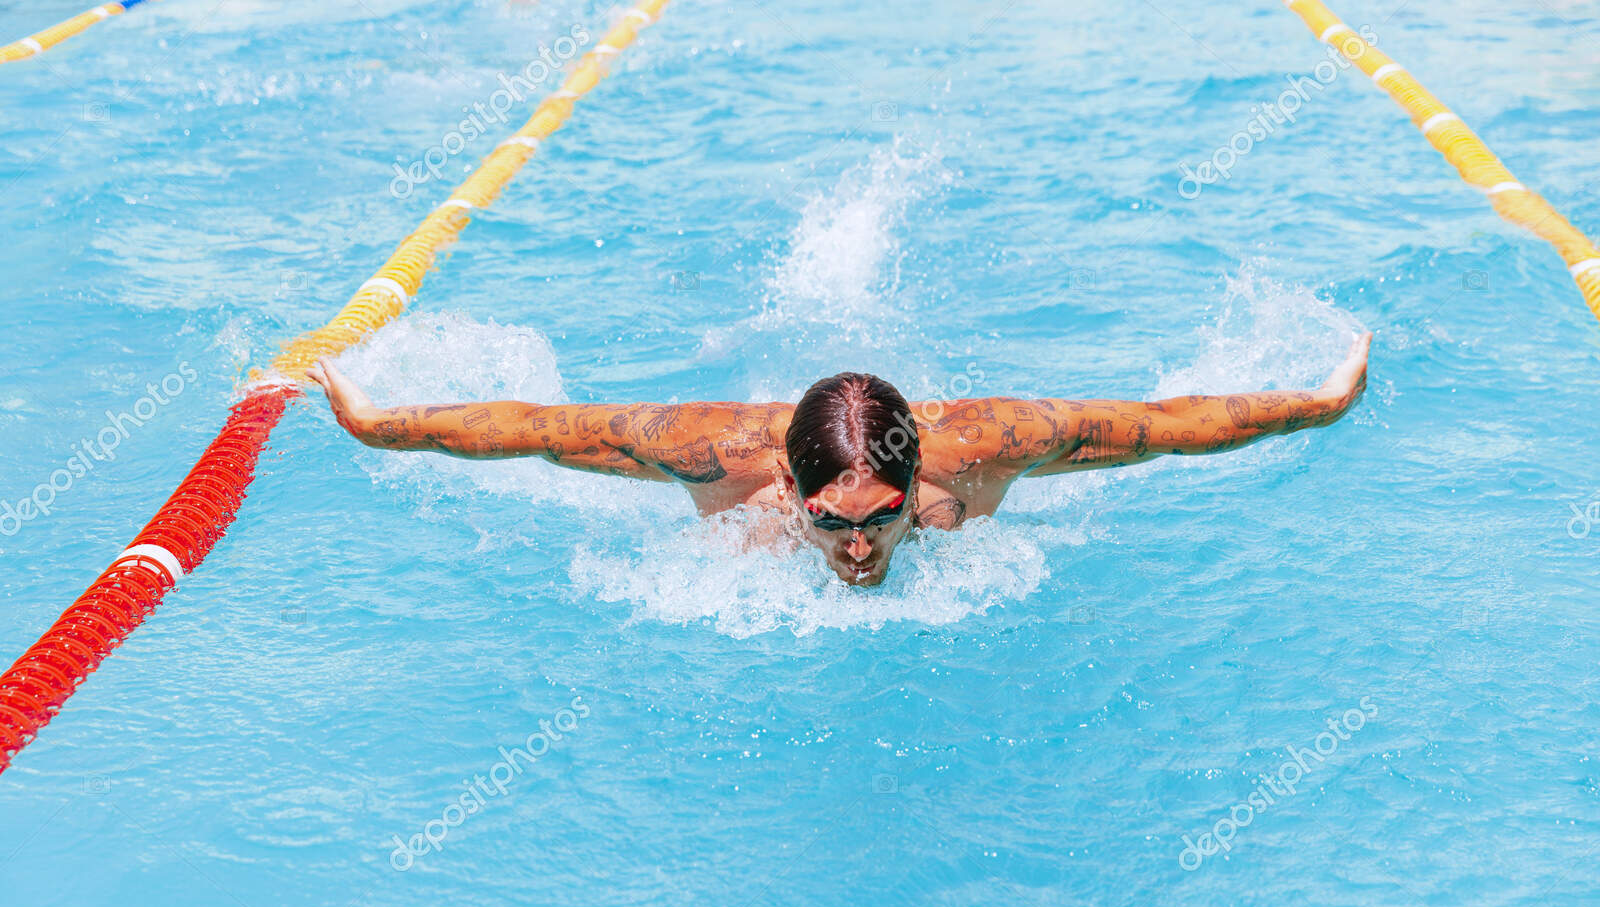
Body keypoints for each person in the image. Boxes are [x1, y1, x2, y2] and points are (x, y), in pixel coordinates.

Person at [309, 331, 1371, 586]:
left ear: (917, 487)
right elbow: (540, 430)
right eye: (831, 524)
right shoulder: (712, 458)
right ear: (791, 488)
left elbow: (1165, 424)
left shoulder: (988, 453)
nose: (860, 548)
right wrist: (377, 424)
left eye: (881, 518)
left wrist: (1315, 407)